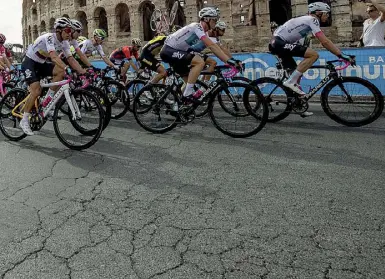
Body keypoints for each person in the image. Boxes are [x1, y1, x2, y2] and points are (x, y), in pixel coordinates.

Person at [268, 2, 354, 117]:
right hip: (279, 43)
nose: (328, 16)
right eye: (326, 13)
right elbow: (325, 42)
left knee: (297, 74)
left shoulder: (306, 22)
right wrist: (341, 55)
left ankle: (298, 105)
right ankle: (290, 82)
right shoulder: (312, 20)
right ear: (318, 13)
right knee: (314, 55)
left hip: (279, 43)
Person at [19, 17, 86, 136]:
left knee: (60, 72)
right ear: (59, 30)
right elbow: (54, 57)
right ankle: (24, 120)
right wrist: (67, 68)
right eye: (68, 30)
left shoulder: (65, 42)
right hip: (29, 62)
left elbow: (70, 59)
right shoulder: (50, 37)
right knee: (36, 91)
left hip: (41, 63)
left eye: (71, 31)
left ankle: (48, 101)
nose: (69, 33)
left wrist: (82, 72)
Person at [160, 7, 242, 102]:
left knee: (189, 83)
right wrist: (229, 61)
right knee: (199, 62)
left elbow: (218, 48)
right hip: (169, 50)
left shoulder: (204, 31)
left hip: (179, 52)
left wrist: (231, 60)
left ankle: (179, 105)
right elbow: (211, 46)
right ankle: (188, 95)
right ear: (207, 19)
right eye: (214, 19)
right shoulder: (196, 27)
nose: (216, 22)